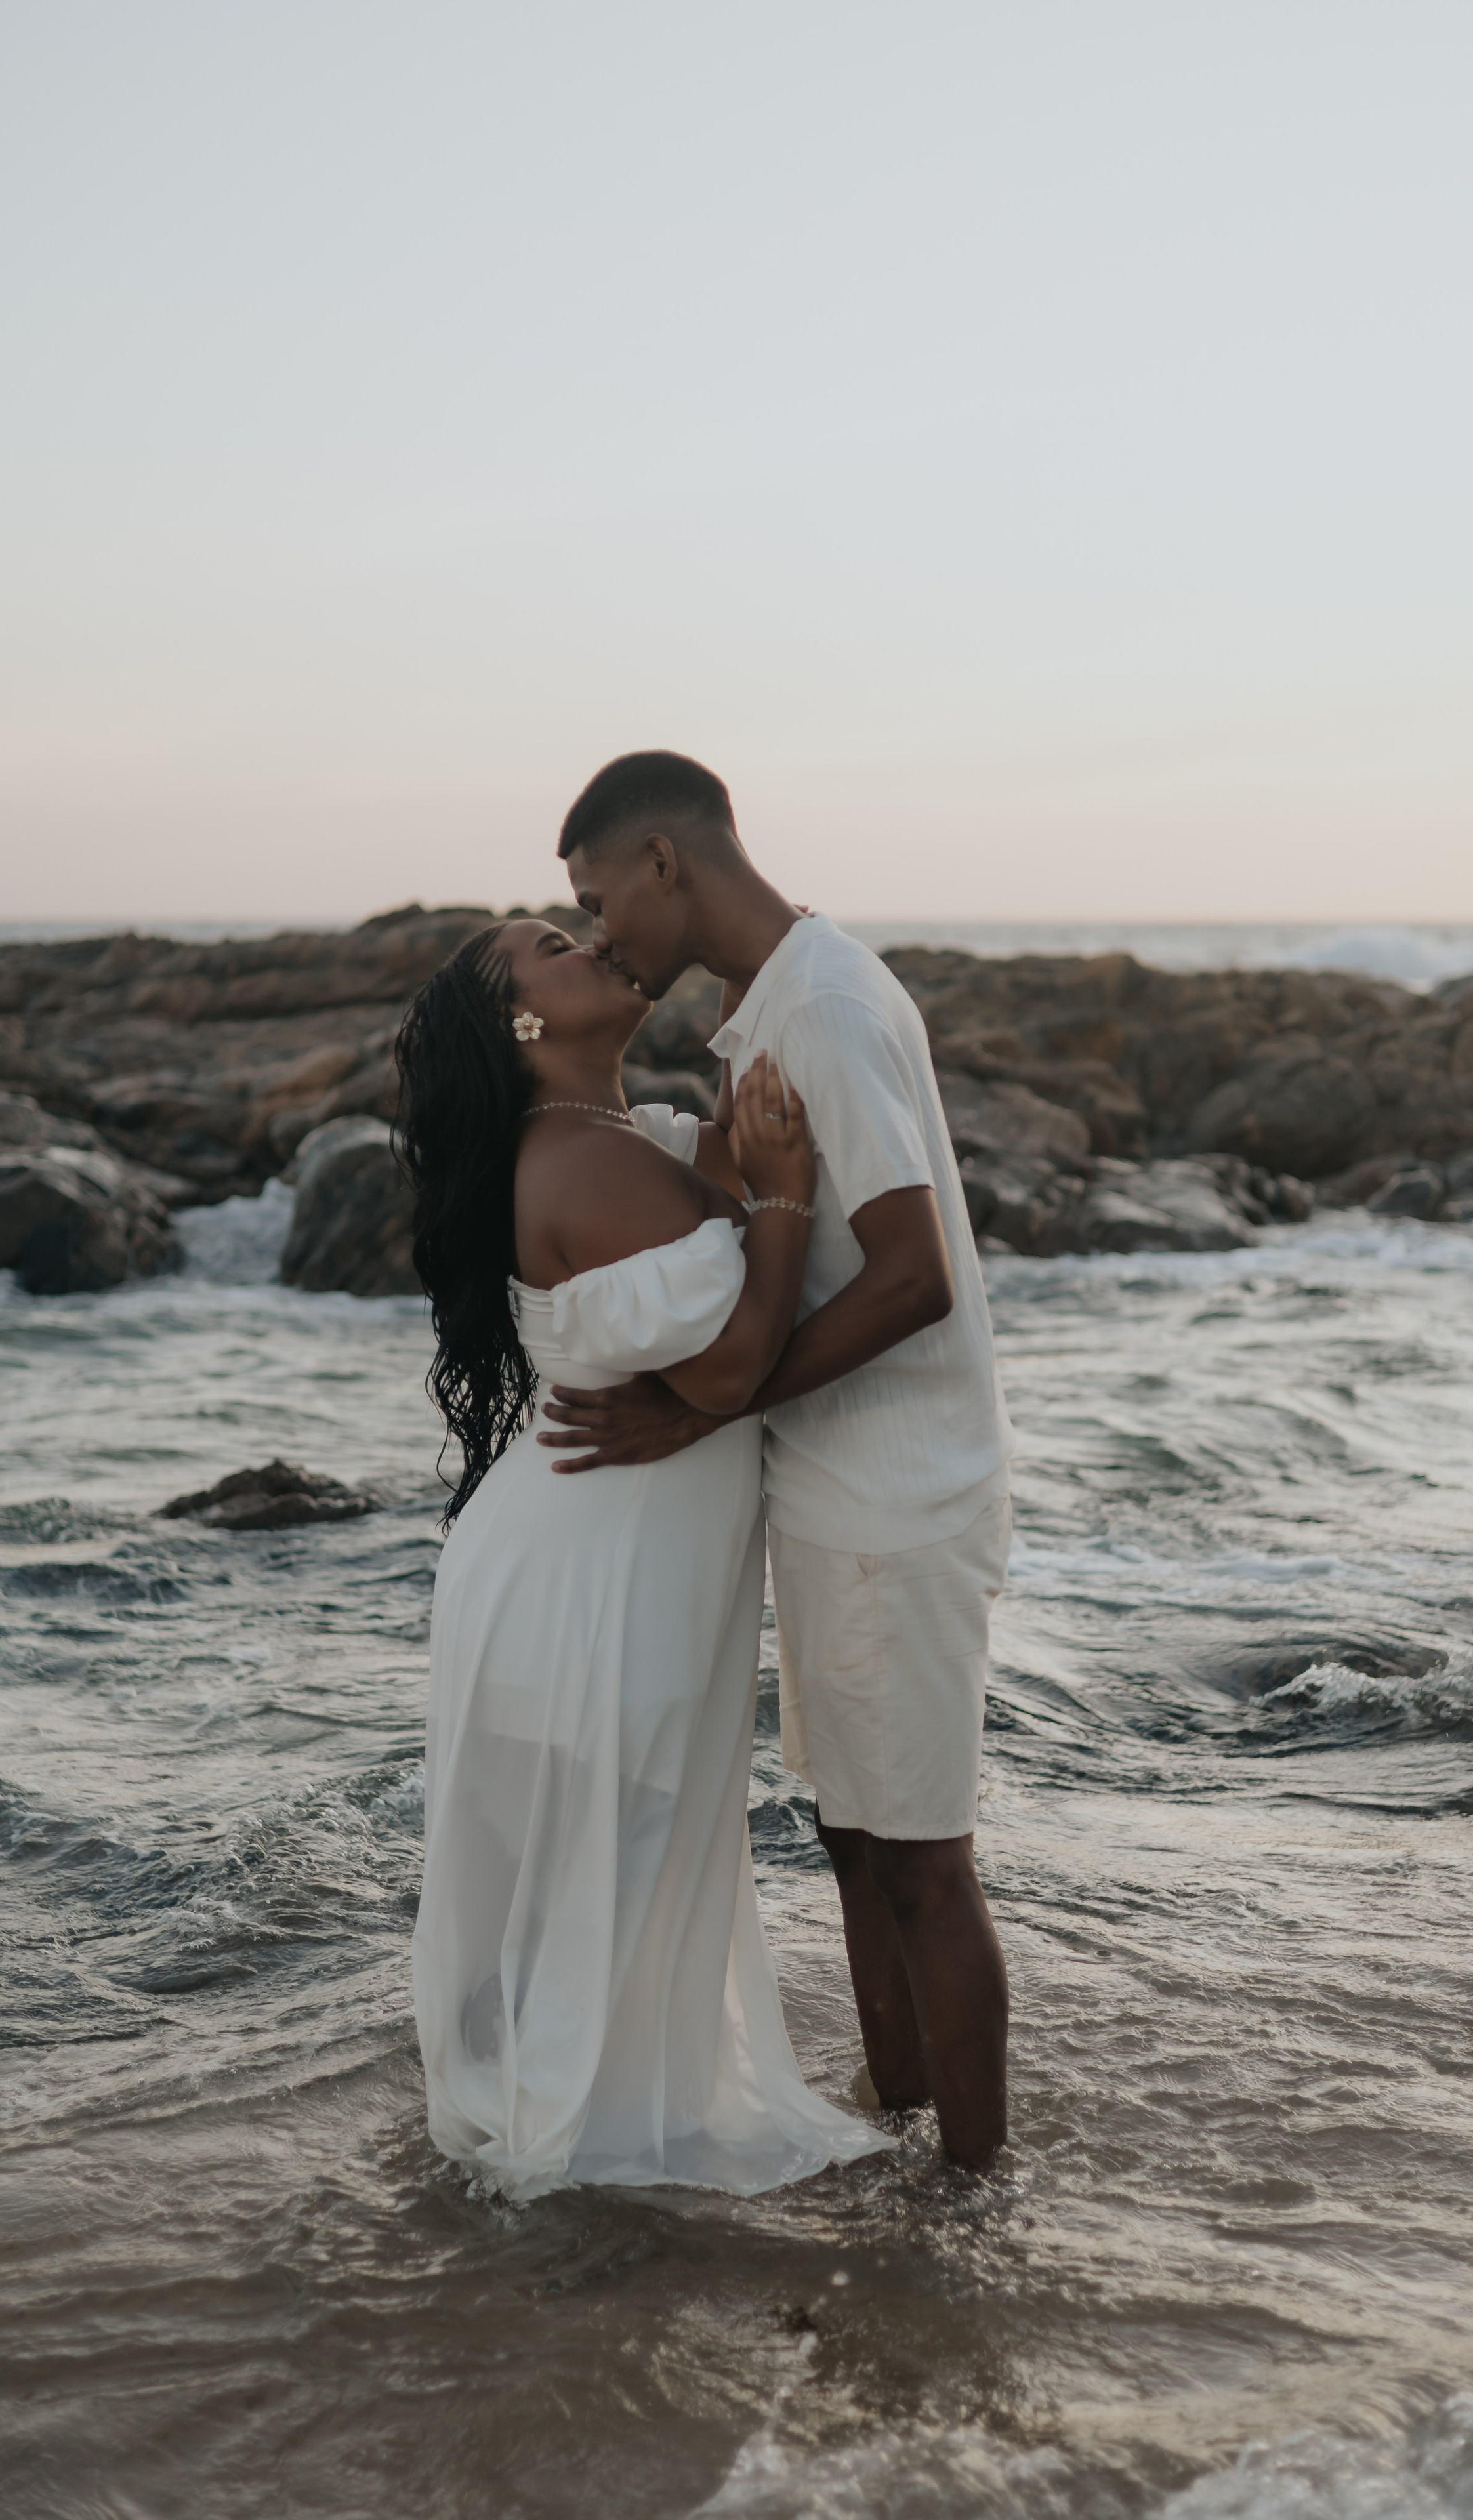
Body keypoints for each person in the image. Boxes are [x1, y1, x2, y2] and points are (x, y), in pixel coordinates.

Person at [543, 751, 1016, 2170]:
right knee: (855, 1849)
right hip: (833, 1493)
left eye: (593, 895)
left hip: (895, 1494)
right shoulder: (770, 1014)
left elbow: (910, 1272)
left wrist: (706, 1410)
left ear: (661, 862)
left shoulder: (818, 1004)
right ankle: (903, 2140)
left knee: (921, 1862)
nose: (597, 929)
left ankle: (973, 2201)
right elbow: (774, 1222)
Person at [399, 913, 893, 2197]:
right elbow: (728, 1364)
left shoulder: (626, 1138)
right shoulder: (573, 1159)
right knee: (609, 1869)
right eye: (552, 942)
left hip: (592, 1554)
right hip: (588, 1575)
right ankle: (573, 2187)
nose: (593, 937)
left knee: (608, 1873)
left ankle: (574, 2166)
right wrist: (779, 1200)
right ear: (521, 1023)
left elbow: (717, 1180)